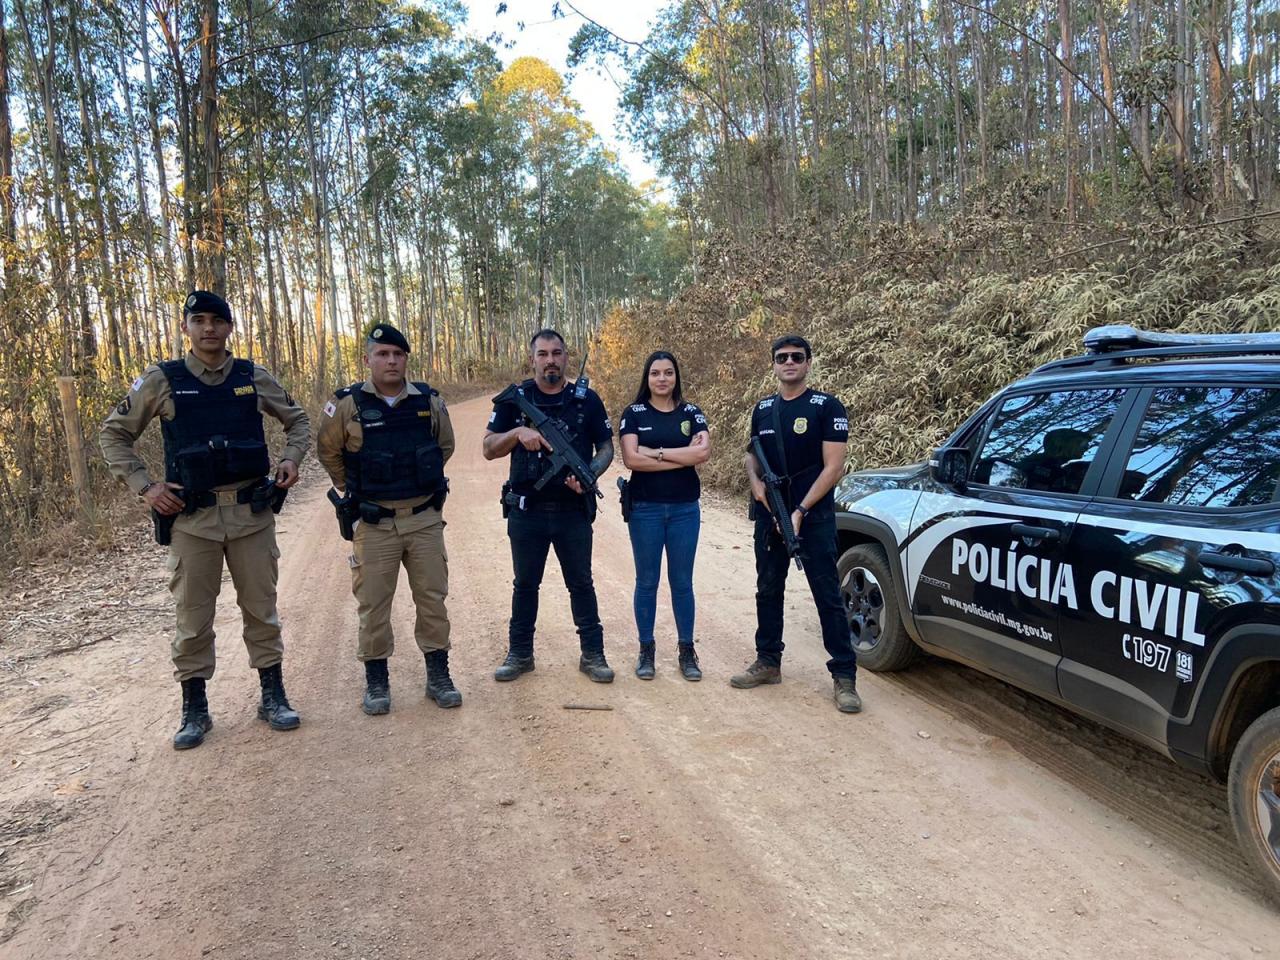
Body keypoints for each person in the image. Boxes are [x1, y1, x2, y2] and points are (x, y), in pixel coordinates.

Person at [100, 290, 309, 749]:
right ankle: (195, 708)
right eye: (199, 320)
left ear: (230, 327)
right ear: (186, 328)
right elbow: (114, 435)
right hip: (192, 520)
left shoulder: (251, 376)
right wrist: (147, 487)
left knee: (262, 610)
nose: (209, 328)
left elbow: (298, 421)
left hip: (251, 514)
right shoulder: (162, 379)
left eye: (218, 320)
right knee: (193, 618)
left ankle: (272, 696)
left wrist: (291, 460)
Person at [316, 323, 460, 715]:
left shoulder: (429, 400)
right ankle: (377, 682)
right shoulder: (346, 404)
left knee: (432, 599)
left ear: (406, 359)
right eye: (382, 354)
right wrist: (355, 486)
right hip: (374, 523)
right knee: (374, 604)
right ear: (368, 359)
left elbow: (444, 445)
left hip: (424, 519)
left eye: (397, 354)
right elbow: (327, 450)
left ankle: (438, 676)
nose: (391, 361)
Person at [731, 334, 863, 714]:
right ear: (773, 364)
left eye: (796, 357)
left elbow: (834, 467)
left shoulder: (826, 406)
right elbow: (751, 456)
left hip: (814, 515)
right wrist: (756, 486)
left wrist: (801, 510)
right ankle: (768, 662)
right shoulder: (763, 409)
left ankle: (844, 677)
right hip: (771, 512)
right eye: (782, 357)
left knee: (827, 596)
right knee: (767, 589)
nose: (789, 362)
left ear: (807, 363)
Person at [482, 329, 616, 682]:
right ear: (533, 359)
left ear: (566, 357)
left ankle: (593, 654)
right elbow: (488, 447)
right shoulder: (516, 400)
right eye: (543, 354)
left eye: (557, 353)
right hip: (527, 511)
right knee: (525, 585)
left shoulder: (587, 400)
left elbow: (606, 448)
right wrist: (516, 434)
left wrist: (589, 474)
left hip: (572, 511)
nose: (551, 360)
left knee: (581, 584)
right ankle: (520, 654)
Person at [618, 351, 711, 680]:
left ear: (676, 377)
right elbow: (631, 459)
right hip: (646, 509)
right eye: (655, 373)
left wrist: (654, 452)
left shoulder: (692, 413)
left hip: (685, 508)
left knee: (682, 582)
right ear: (647, 377)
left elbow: (702, 452)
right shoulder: (633, 413)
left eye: (668, 373)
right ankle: (646, 649)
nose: (662, 379)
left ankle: (687, 650)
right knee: (647, 582)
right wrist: (681, 456)